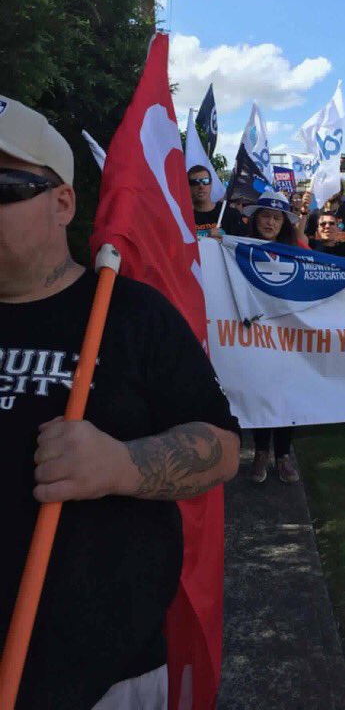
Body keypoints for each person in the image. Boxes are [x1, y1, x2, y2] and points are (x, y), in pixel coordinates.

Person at [0, 96, 241, 710]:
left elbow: (221, 449)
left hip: (106, 675)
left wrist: (121, 465)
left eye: (4, 187)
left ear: (63, 204)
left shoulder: (132, 315)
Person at [242, 190, 303, 484]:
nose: (270, 222)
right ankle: (260, 452)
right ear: (255, 219)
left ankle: (283, 455)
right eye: (265, 216)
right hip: (254, 334)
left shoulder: (297, 252)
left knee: (286, 394)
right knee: (260, 392)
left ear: (283, 223)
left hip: (287, 336)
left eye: (276, 218)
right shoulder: (238, 248)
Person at [188, 164, 246, 239]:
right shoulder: (182, 219)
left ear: (211, 184)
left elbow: (242, 243)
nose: (201, 186)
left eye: (206, 181)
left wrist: (222, 241)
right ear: (187, 186)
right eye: (195, 182)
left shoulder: (230, 214)